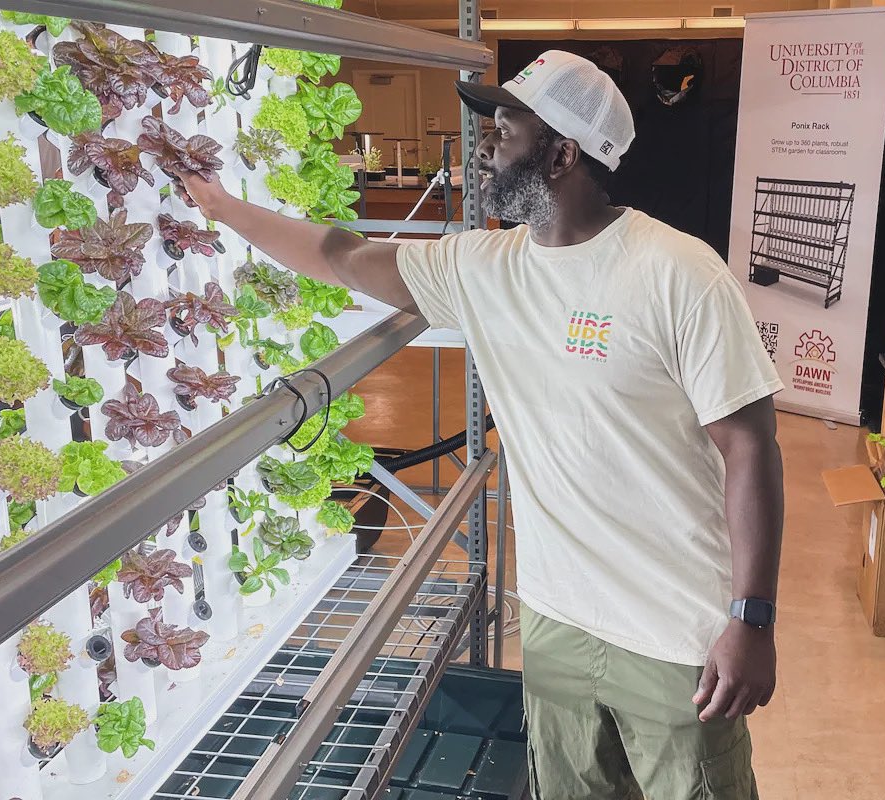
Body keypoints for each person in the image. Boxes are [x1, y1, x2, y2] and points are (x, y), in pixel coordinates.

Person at [177, 50, 784, 800]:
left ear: (563, 154)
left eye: (507, 127)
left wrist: (751, 620)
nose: (485, 143)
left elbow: (750, 445)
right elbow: (345, 257)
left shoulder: (677, 273)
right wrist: (225, 208)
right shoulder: (484, 267)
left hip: (677, 637)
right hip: (558, 622)